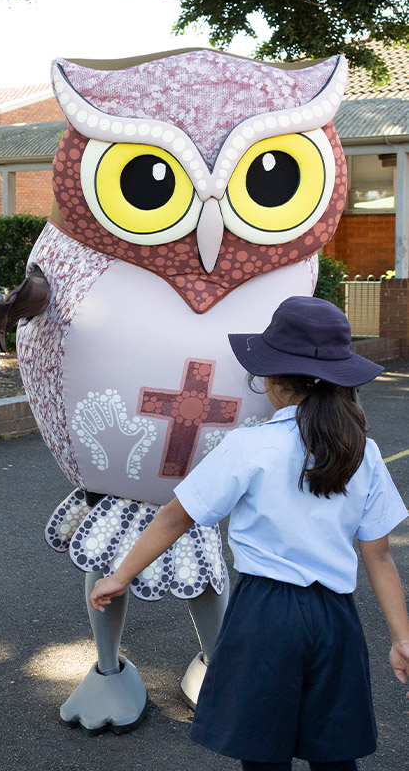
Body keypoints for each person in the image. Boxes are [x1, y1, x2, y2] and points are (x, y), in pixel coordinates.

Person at [89, 295, 409, 771]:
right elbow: (379, 556)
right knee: (335, 753)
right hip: (337, 620)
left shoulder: (250, 445)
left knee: (263, 750)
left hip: (266, 615)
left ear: (274, 383)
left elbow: (178, 516)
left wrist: (121, 575)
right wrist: (402, 638)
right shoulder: (362, 451)